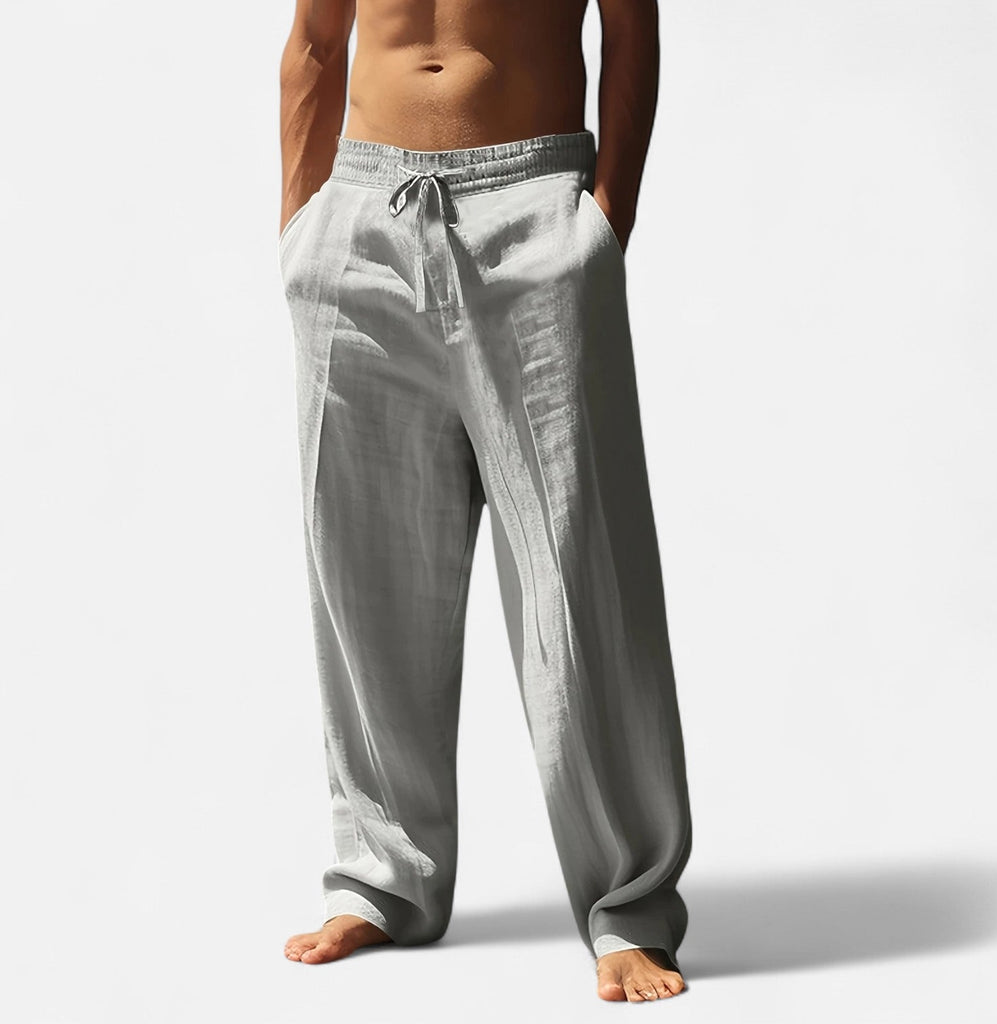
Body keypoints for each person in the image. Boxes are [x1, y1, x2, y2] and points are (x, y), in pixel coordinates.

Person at [277, 0, 693, 1003]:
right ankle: (384, 880)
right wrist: (301, 228)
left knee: (577, 576)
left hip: (532, 209)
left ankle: (627, 905)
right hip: (360, 216)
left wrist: (603, 219)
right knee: (365, 575)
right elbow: (317, 41)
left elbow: (630, 29)